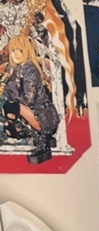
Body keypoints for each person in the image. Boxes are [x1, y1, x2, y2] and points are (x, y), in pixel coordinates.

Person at [1, 33, 60, 165]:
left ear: (27, 51)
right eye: (13, 51)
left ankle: (43, 141)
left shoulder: (30, 69)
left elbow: (28, 100)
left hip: (44, 116)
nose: (16, 54)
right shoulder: (15, 69)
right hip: (32, 114)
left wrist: (9, 83)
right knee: (8, 128)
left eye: (20, 50)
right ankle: (36, 137)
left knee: (10, 107)